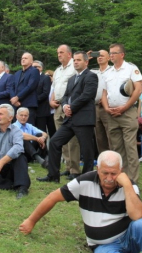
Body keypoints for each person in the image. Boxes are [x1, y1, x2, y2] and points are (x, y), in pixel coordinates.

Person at [20, 150, 142, 253]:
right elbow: (52, 197)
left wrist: (126, 186)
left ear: (121, 171)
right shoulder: (84, 181)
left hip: (128, 238)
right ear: (98, 169)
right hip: (103, 246)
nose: (109, 178)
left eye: (114, 173)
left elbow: (137, 215)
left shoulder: (129, 185)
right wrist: (31, 221)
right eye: (105, 173)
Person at [38, 51, 98, 183]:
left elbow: (87, 95)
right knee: (54, 142)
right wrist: (65, 106)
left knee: (86, 149)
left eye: (79, 60)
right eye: (75, 60)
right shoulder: (72, 79)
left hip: (83, 118)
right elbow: (66, 96)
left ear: (86, 62)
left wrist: (72, 107)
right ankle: (53, 175)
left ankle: (87, 177)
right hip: (70, 118)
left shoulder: (91, 76)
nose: (76, 62)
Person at [102, 43, 142, 183]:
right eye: (110, 53)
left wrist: (124, 107)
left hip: (127, 113)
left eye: (114, 53)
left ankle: (133, 182)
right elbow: (104, 92)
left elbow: (138, 90)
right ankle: (120, 180)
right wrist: (106, 108)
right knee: (116, 149)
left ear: (122, 55)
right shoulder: (108, 72)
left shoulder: (131, 69)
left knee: (130, 148)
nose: (111, 55)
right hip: (112, 114)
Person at [50, 45, 79, 179]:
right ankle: (67, 167)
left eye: (61, 52)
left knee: (72, 140)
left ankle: (74, 170)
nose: (59, 54)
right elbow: (54, 88)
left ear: (69, 54)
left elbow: (78, 87)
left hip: (70, 106)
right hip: (58, 106)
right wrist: (51, 101)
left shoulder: (75, 67)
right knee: (60, 140)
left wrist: (70, 104)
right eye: (57, 52)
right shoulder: (57, 70)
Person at [89, 50, 112, 154]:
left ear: (108, 58)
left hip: (108, 107)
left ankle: (114, 158)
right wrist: (87, 58)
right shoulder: (93, 72)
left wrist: (106, 100)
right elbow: (78, 72)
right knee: (99, 136)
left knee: (110, 134)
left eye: (102, 55)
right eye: (97, 56)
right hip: (95, 107)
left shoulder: (112, 71)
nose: (99, 57)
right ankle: (104, 159)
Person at [10, 52, 40, 125]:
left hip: (28, 104)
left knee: (28, 128)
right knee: (16, 128)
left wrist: (17, 97)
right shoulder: (17, 73)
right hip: (16, 105)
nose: (23, 60)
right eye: (22, 58)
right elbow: (11, 87)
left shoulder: (34, 71)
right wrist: (14, 99)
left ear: (31, 61)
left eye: (26, 58)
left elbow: (30, 86)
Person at [32, 61, 54, 138]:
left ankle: (44, 149)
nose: (33, 69)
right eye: (32, 67)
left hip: (42, 110)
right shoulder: (31, 78)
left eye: (35, 67)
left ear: (41, 68)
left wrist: (33, 101)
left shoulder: (45, 78)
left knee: (41, 132)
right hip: (32, 110)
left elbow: (45, 93)